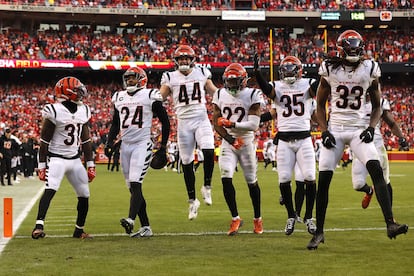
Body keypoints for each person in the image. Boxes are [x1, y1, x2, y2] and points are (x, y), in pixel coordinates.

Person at [308, 29, 408, 250]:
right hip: (335, 129)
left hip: (357, 129)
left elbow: (377, 106)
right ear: (342, 49)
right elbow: (319, 106)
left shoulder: (369, 69)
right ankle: (320, 232)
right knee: (323, 180)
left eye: (356, 46)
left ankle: (390, 223)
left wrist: (372, 127)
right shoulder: (330, 69)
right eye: (350, 47)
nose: (354, 50)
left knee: (376, 169)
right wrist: (324, 130)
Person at [255, 55, 318, 236]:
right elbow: (267, 90)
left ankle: (308, 217)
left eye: (292, 70)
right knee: (283, 179)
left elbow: (318, 86)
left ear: (299, 71)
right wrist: (258, 73)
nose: (289, 73)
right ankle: (291, 215)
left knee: (310, 177)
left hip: (304, 138)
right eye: (286, 70)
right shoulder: (277, 86)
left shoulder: (308, 84)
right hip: (284, 140)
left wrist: (324, 70)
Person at [105, 67, 170, 238]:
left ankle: (131, 220)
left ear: (141, 79)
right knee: (132, 188)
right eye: (128, 78)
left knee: (135, 183)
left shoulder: (150, 95)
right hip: (126, 145)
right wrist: (109, 141)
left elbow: (165, 120)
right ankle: (146, 226)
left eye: (133, 78)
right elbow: (115, 123)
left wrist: (163, 147)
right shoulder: (119, 97)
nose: (129, 81)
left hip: (142, 144)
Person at [31, 76, 96, 239]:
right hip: (56, 158)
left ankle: (79, 230)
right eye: (77, 89)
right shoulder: (54, 110)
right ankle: (38, 226)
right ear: (67, 92)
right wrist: (42, 166)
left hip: (74, 159)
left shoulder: (84, 110)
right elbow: (44, 141)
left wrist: (90, 163)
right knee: (50, 188)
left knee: (84, 194)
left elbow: (86, 140)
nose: (81, 92)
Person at [159, 44, 217, 218]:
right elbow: (161, 96)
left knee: (208, 150)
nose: (183, 61)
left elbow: (213, 91)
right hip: (183, 122)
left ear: (192, 59)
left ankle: (207, 187)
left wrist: (227, 97)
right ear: (176, 61)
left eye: (186, 58)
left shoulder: (201, 73)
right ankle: (192, 201)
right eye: (181, 58)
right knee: (186, 162)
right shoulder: (169, 77)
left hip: (201, 119)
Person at [212, 62, 264, 235]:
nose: (231, 85)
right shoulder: (219, 94)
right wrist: (228, 137)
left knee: (251, 181)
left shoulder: (253, 94)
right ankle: (235, 218)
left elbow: (254, 125)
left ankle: (257, 219)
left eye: (235, 81)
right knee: (225, 175)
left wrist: (232, 123)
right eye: (229, 81)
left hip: (246, 141)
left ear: (243, 81)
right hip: (229, 141)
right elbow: (215, 121)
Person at [353, 95, 410, 209]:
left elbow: (392, 123)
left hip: (376, 144)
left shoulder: (380, 102)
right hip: (359, 145)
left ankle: (390, 216)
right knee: (358, 184)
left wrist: (401, 138)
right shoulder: (352, 101)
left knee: (384, 181)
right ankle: (369, 191)